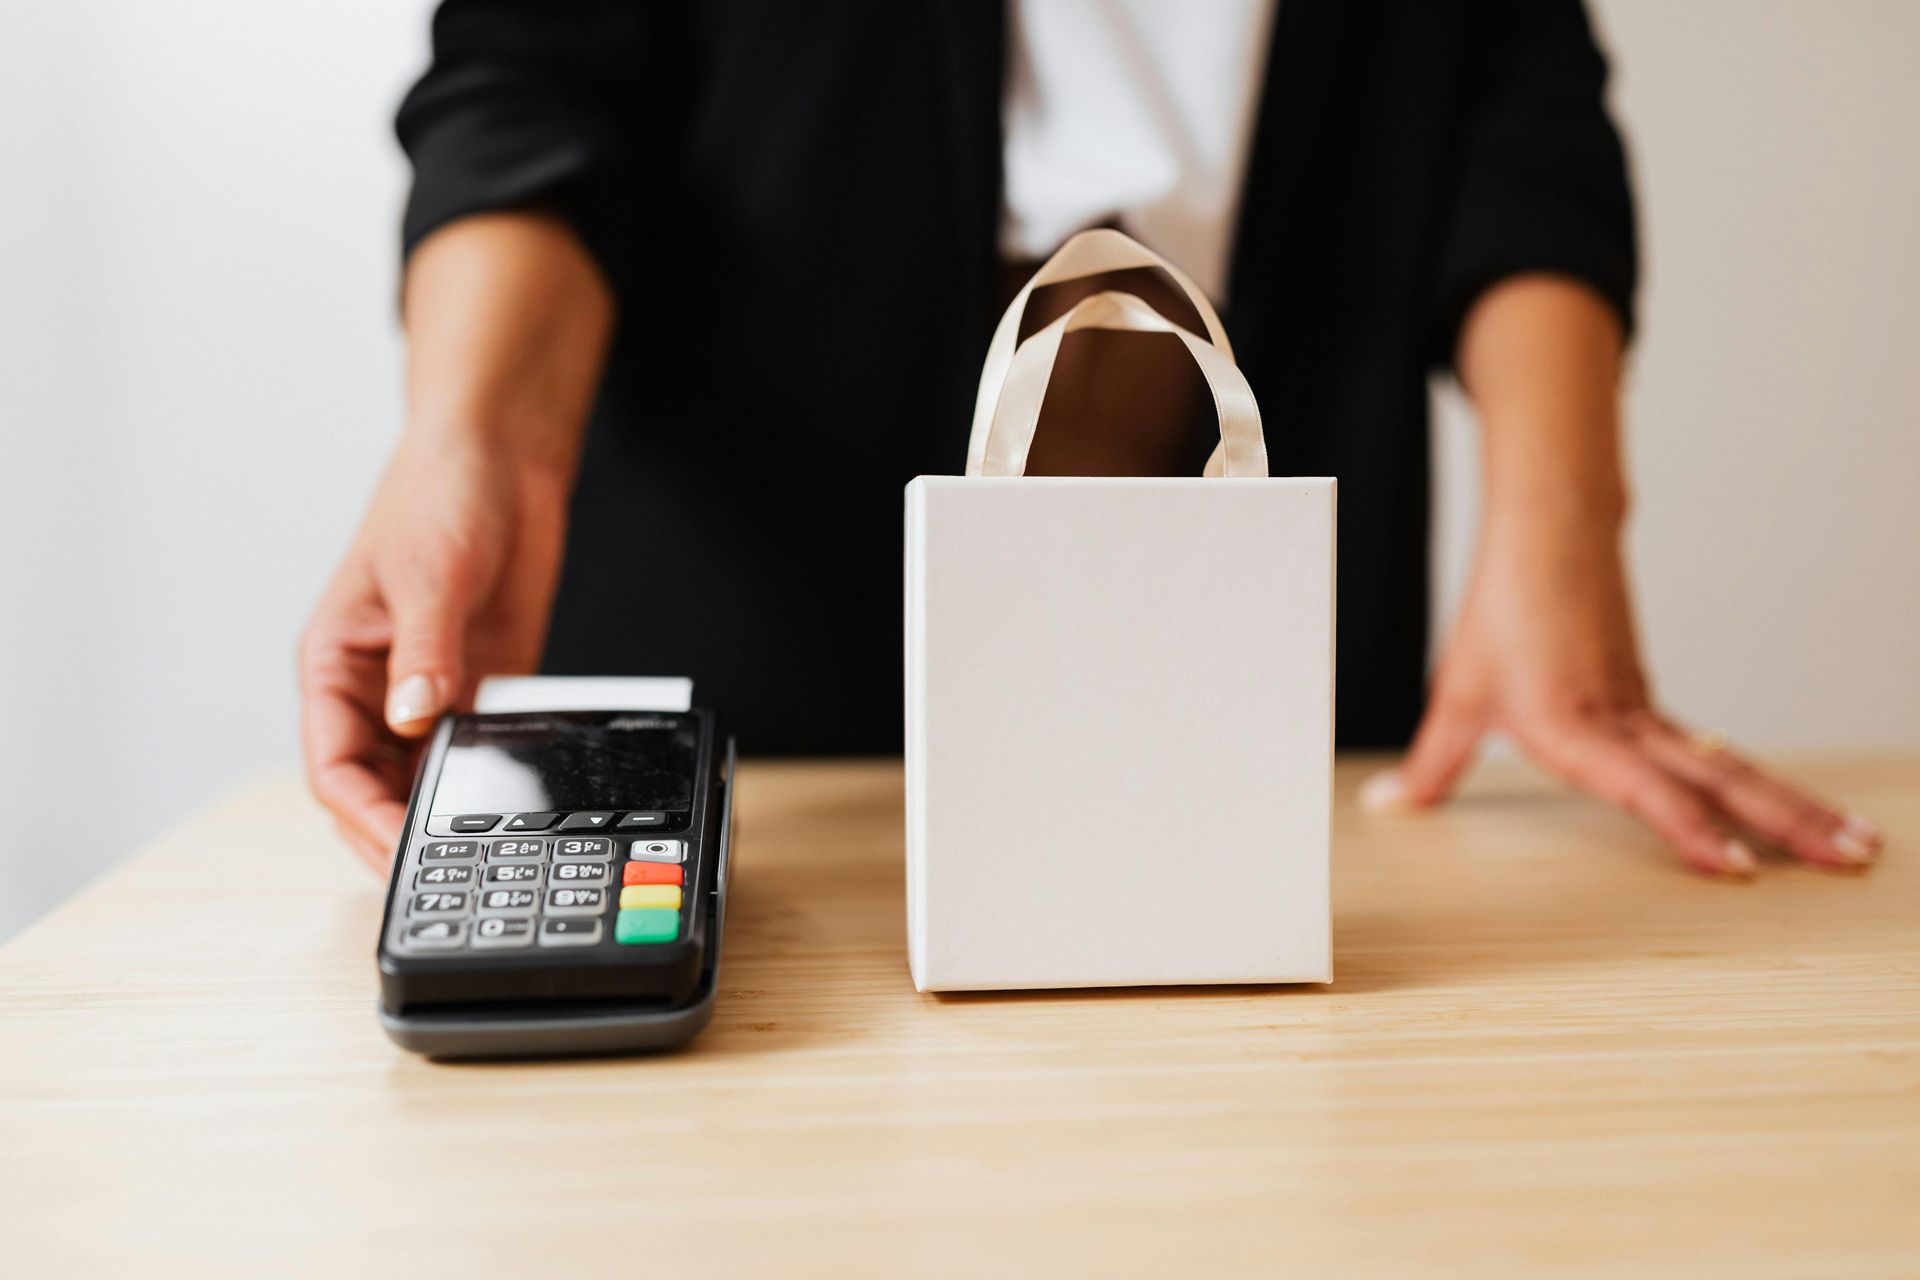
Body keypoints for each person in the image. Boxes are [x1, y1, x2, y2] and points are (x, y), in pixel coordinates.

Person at [301, 0, 1884, 878]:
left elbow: (1513, 87)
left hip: (1242, 530)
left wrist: (1560, 523)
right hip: (755, 557)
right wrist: (476, 445)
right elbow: (534, 72)